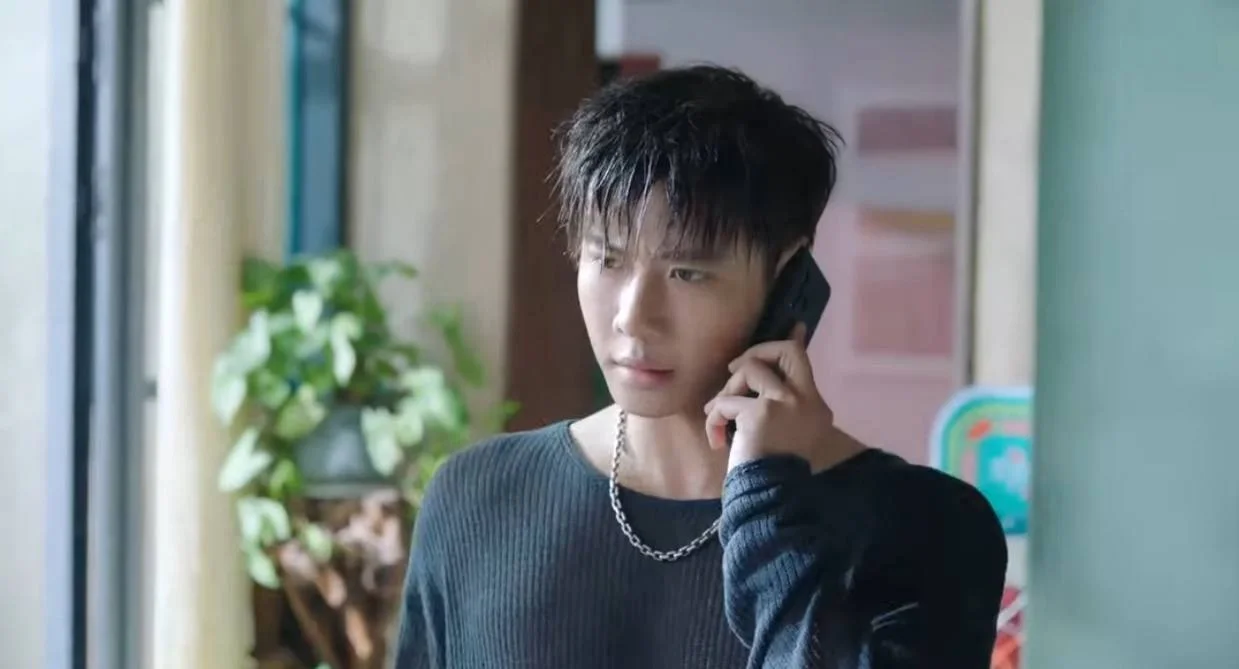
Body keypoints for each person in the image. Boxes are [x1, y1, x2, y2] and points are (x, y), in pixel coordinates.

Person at [393, 65, 1008, 668]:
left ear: (787, 275)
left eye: (687, 273)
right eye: (607, 260)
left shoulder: (927, 529)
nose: (634, 318)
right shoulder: (476, 498)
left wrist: (768, 508)